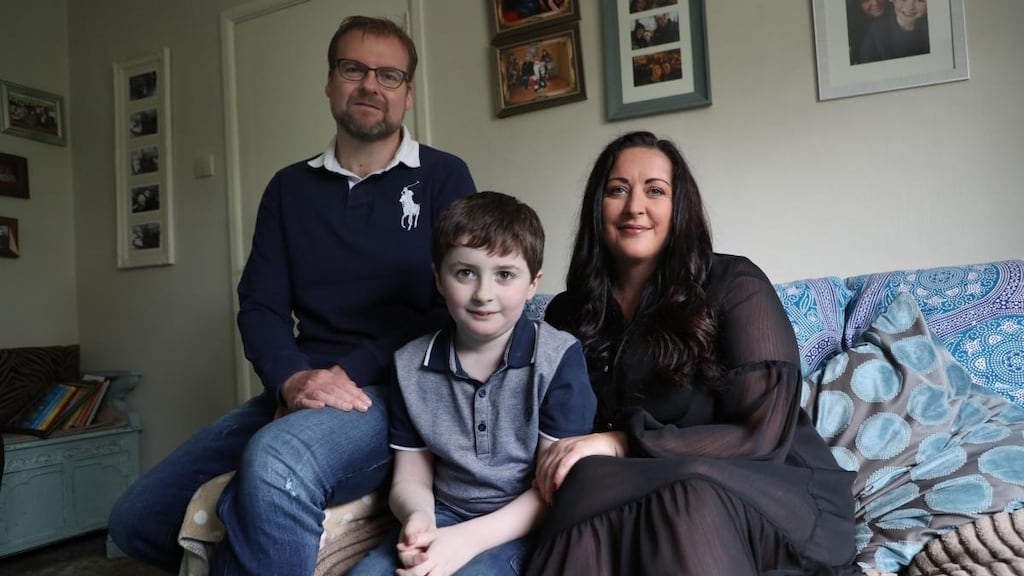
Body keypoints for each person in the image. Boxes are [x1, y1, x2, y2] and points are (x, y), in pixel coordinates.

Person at [107, 15, 477, 576]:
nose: (370, 85)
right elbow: (259, 304)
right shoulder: (289, 188)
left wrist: (338, 376)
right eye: (354, 69)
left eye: (389, 75)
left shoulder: (444, 178)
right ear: (330, 82)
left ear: (408, 93)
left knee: (273, 464)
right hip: (300, 384)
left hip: (399, 392)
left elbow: (448, 306)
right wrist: (292, 380)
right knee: (136, 517)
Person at [524, 131, 859, 575]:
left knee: (686, 488)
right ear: (596, 207)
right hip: (640, 491)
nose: (634, 207)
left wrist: (621, 442)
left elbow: (762, 437)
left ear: (679, 207)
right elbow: (555, 435)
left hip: (774, 492)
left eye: (655, 191)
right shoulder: (569, 312)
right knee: (583, 482)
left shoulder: (735, 283)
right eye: (617, 190)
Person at [347, 192, 597, 576]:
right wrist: (418, 519)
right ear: (439, 279)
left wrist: (464, 543)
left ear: (533, 284)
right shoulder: (410, 364)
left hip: (524, 527)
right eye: (465, 272)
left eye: (505, 275)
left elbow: (553, 490)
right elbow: (411, 475)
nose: (483, 294)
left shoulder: (559, 358)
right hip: (444, 515)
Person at [859, 0, 929, 64]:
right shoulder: (877, 30)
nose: (910, 7)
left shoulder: (929, 28)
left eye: (920, 0)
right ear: (894, 2)